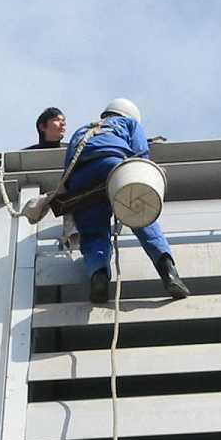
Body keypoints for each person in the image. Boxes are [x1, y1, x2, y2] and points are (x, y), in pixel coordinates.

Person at [63, 98, 189, 303]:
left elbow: (67, 166)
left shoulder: (81, 130)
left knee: (94, 234)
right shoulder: (129, 124)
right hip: (112, 165)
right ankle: (169, 273)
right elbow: (141, 155)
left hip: (80, 180)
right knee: (141, 216)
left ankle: (99, 278)